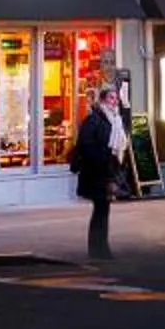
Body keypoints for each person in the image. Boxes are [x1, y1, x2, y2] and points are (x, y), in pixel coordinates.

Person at [70, 79, 125, 260]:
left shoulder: (115, 120)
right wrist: (102, 156)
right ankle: (98, 249)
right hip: (96, 172)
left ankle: (101, 248)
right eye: (110, 98)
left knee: (103, 209)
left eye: (116, 98)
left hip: (107, 170)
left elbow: (119, 146)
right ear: (102, 100)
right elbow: (85, 144)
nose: (114, 101)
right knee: (101, 208)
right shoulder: (94, 120)